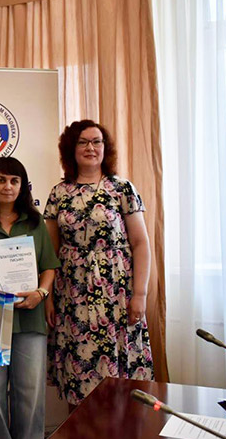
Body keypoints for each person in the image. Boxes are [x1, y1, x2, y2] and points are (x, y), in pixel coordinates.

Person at [44, 119, 154, 406]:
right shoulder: (59, 193)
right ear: (71, 148)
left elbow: (141, 243)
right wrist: (48, 297)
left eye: (96, 141)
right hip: (73, 298)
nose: (90, 147)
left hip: (117, 296)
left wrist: (140, 295)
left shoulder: (122, 189)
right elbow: (50, 253)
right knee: (78, 376)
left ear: (106, 148)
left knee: (120, 380)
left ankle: (121, 429)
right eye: (83, 142)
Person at [0, 157, 59, 439]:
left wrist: (41, 293)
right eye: (1, 180)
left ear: (23, 186)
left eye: (14, 181)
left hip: (29, 316)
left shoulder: (36, 223)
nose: (7, 186)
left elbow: (49, 266)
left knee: (30, 394)